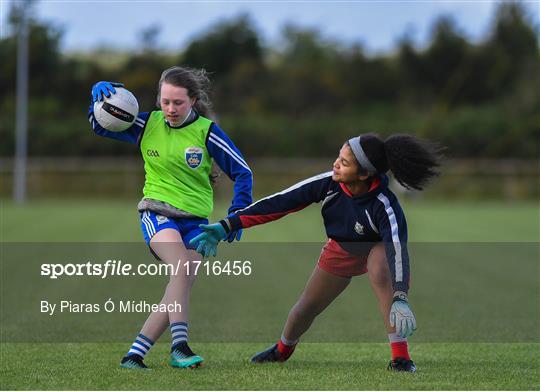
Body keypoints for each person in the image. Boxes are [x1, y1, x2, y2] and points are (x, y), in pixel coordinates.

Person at [191, 133, 442, 372]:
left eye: (344, 162)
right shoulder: (328, 183)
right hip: (341, 249)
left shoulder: (384, 204)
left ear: (365, 173)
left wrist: (401, 295)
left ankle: (401, 358)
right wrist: (228, 224)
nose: (336, 164)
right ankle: (282, 350)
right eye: (338, 157)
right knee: (305, 308)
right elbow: (280, 202)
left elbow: (396, 249)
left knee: (380, 269)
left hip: (377, 248)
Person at [88, 66, 253, 369]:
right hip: (157, 212)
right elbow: (102, 124)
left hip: (197, 223)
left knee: (180, 283)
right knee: (180, 268)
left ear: (192, 100)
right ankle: (180, 347)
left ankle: (134, 355)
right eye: (165, 102)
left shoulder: (207, 132)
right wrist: (100, 96)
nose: (170, 109)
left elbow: (243, 171)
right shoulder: (146, 124)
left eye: (178, 102)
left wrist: (237, 215)